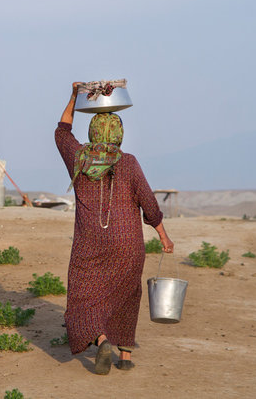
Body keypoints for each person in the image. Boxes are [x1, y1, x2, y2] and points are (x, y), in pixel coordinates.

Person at [55, 82, 174, 375]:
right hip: (128, 244)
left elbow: (61, 132)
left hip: (89, 244)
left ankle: (101, 339)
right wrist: (163, 235)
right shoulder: (130, 163)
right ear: (119, 134)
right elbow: (148, 202)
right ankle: (126, 357)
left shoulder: (78, 158)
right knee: (126, 293)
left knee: (83, 297)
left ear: (92, 132)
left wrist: (73, 96)